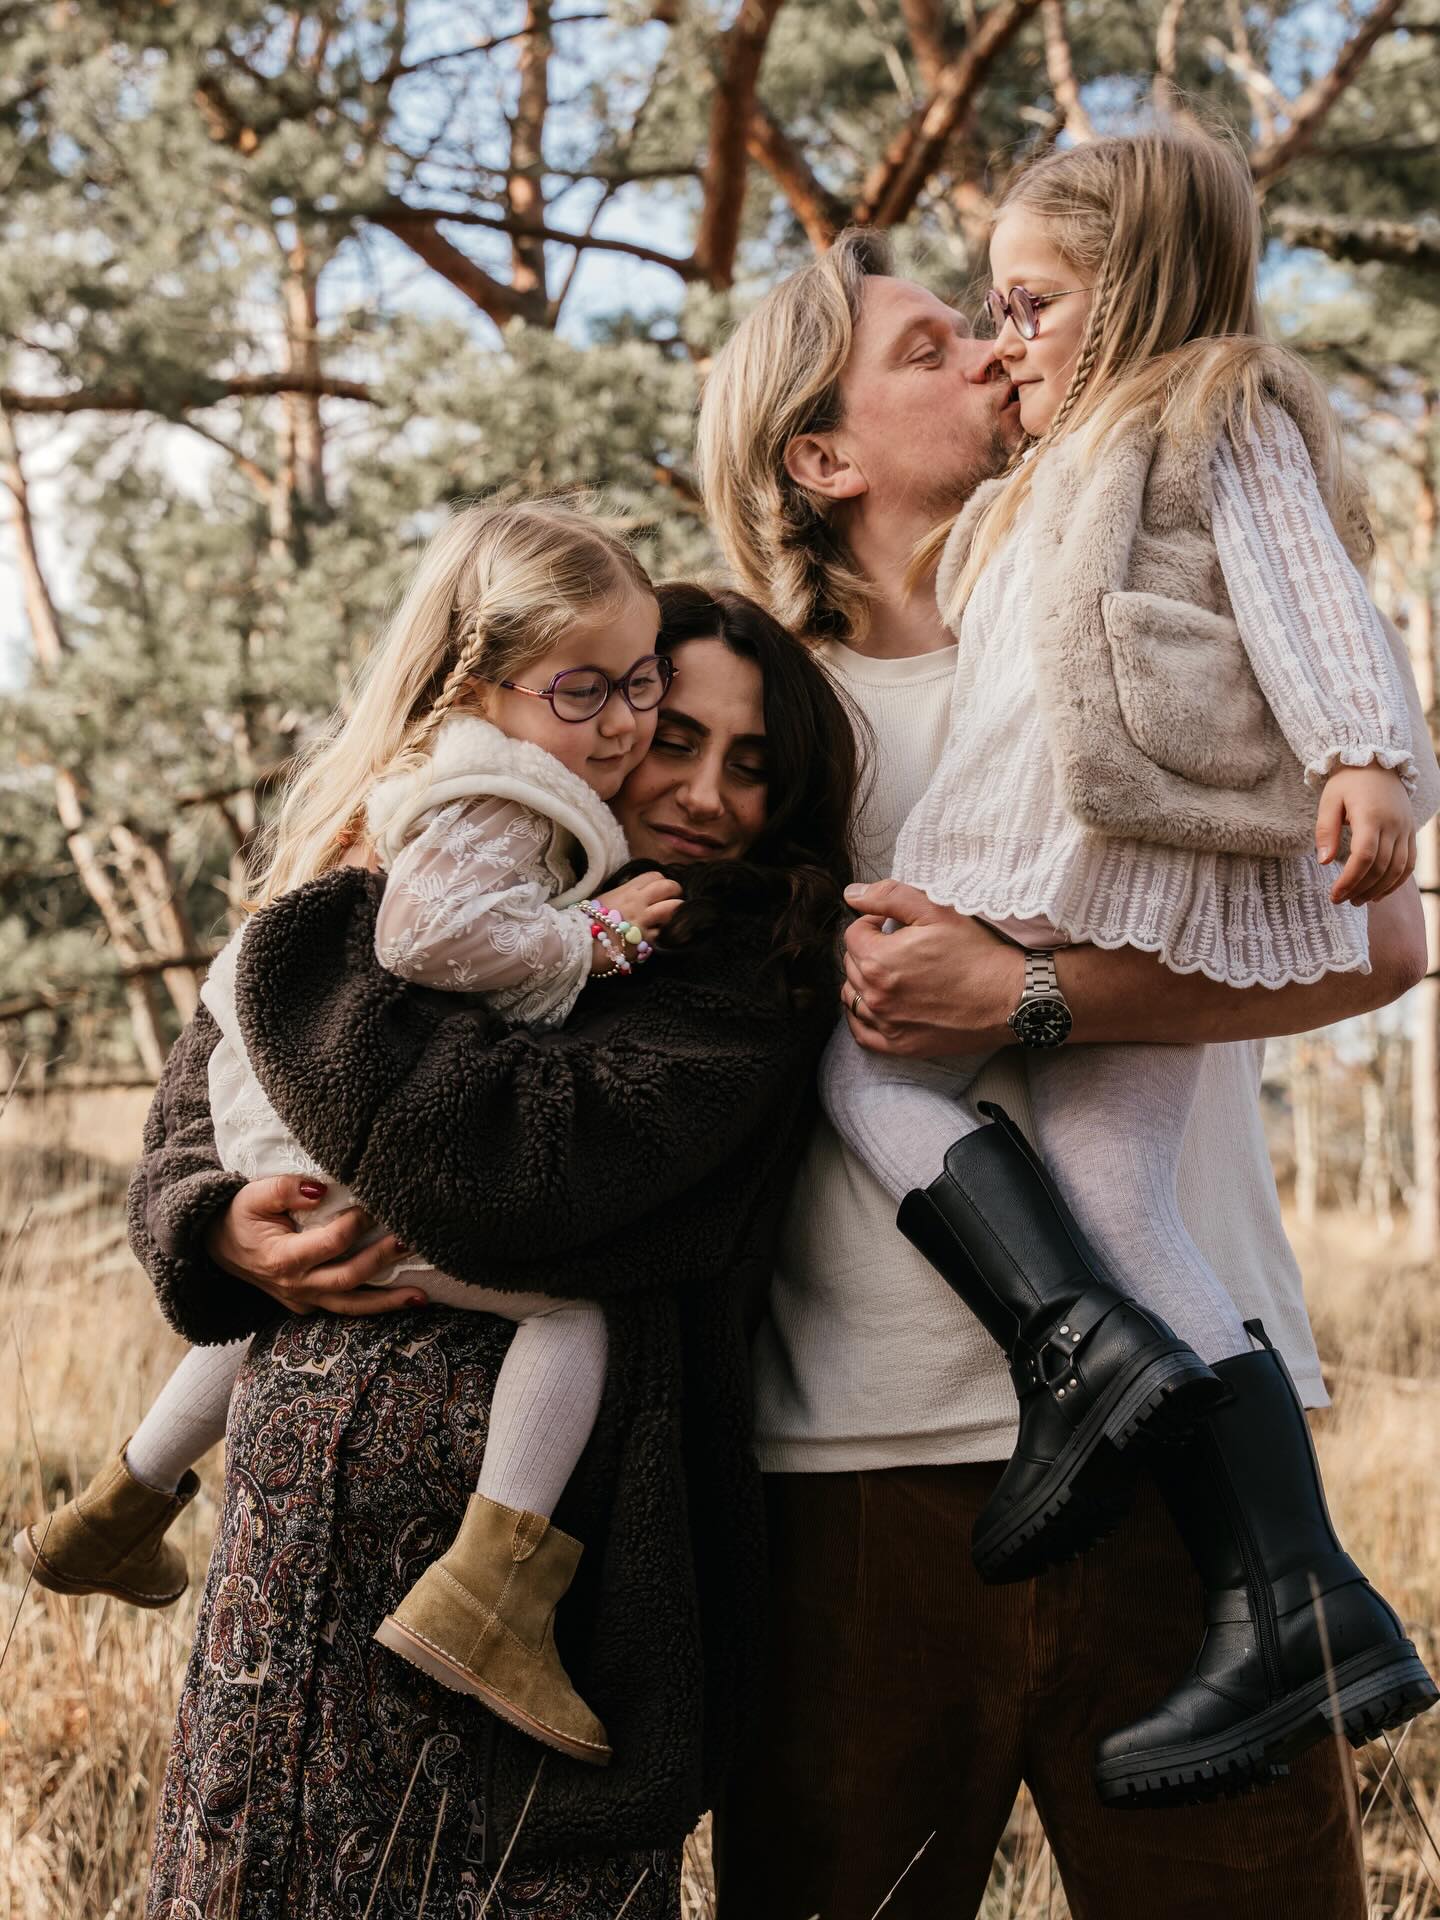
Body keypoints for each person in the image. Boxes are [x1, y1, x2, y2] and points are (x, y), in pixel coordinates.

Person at [695, 220, 1435, 1914]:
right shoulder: (747, 712)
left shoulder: (1186, 626)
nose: (992, 346)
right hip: (853, 1459)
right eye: (930, 343)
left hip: (1190, 1429)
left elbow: (1383, 946)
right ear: (821, 454)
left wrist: (1024, 992)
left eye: (992, 317)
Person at [130, 582, 859, 1915]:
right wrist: (212, 1220)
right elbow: (204, 1074)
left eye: (751, 768)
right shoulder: (479, 865)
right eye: (672, 734)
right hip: (291, 1565)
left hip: (538, 1621)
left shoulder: (733, 971)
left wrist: (337, 961)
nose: (698, 791)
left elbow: (506, 1177)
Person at [16, 497, 693, 1766]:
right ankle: (492, 1594)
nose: (623, 720)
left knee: (299, 1293)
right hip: (341, 1136)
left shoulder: (413, 779)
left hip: (282, 1134)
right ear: (485, 684)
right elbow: (427, 938)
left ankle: (116, 1505)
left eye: (642, 678)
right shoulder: (500, 797)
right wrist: (593, 939)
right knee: (570, 1316)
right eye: (581, 688)